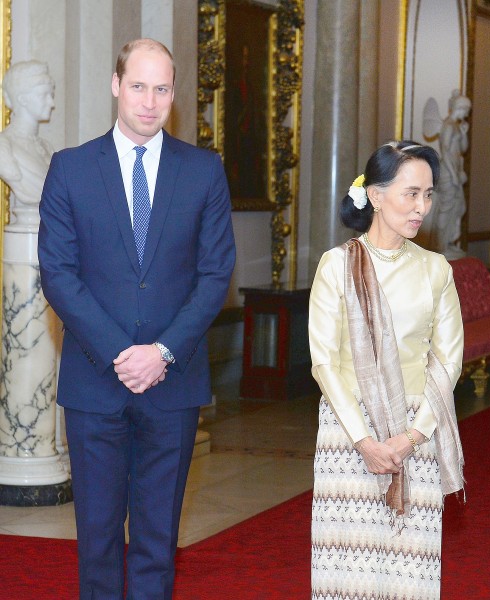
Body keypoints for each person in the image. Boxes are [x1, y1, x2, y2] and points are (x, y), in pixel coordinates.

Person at [38, 39, 236, 599]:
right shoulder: (71, 169)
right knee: (97, 538)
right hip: (96, 383)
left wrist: (162, 352)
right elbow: (58, 273)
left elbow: (215, 273)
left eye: (163, 89)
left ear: (174, 93)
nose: (150, 102)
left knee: (156, 540)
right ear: (115, 84)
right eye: (139, 86)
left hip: (172, 384)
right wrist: (123, 354)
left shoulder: (203, 171)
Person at [308, 141, 465, 599]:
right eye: (411, 194)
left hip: (416, 432)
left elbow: (448, 360)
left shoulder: (436, 269)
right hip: (346, 434)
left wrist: (412, 437)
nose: (422, 208)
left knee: (408, 576)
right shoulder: (337, 265)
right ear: (375, 196)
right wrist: (365, 440)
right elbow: (322, 361)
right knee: (345, 574)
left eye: (429, 195)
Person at [0, 60, 55, 227]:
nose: (52, 103)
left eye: (51, 95)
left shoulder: (48, 148)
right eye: (44, 95)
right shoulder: (4, 146)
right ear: (23, 99)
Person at [435, 91, 470, 258]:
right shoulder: (448, 125)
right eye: (465, 110)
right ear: (459, 108)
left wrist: (463, 134)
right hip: (448, 173)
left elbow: (462, 149)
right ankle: (440, 244)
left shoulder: (456, 126)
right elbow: (445, 151)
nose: (467, 114)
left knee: (458, 207)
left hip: (455, 171)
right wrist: (454, 174)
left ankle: (449, 241)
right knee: (447, 207)